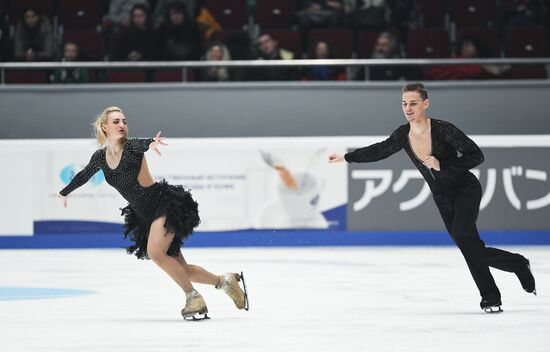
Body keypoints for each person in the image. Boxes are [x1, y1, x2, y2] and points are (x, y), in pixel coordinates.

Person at [328, 83, 536, 313]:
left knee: (462, 235)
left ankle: (490, 297)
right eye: (404, 104)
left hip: (465, 188)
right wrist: (347, 157)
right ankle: (517, 264)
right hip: (442, 197)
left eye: (413, 103)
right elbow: (380, 150)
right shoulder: (402, 135)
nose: (408, 108)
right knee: (470, 246)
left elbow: (476, 155)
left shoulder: (443, 129)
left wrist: (442, 164)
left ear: (425, 104)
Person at [56, 106, 249, 320]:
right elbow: (84, 174)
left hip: (162, 205)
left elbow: (142, 144)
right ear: (104, 127)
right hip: (143, 215)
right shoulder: (100, 158)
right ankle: (225, 281)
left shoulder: (131, 148)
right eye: (116, 121)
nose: (122, 125)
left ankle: (193, 297)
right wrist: (65, 192)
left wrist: (151, 142)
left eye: (124, 121)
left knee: (156, 253)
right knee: (180, 267)